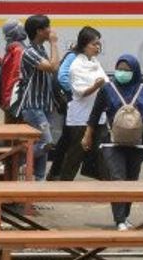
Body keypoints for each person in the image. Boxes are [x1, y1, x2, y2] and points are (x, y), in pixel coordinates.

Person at [82, 54, 143, 231]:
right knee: (118, 179)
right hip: (111, 142)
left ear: (135, 71)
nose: (121, 72)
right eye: (119, 69)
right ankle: (119, 219)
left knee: (131, 181)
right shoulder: (107, 89)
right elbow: (94, 114)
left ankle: (125, 216)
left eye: (126, 70)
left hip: (137, 143)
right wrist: (88, 135)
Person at [51, 26, 107, 181]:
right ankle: (63, 181)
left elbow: (105, 83)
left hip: (96, 114)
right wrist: (91, 88)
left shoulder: (95, 62)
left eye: (98, 44)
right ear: (84, 44)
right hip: (80, 115)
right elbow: (73, 86)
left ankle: (106, 183)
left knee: (101, 149)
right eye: (94, 44)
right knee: (75, 151)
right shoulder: (75, 62)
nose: (97, 47)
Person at [10, 14, 61, 181]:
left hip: (45, 105)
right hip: (33, 106)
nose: (51, 30)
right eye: (47, 27)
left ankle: (38, 181)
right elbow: (53, 67)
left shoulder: (41, 50)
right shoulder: (29, 52)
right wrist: (54, 42)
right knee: (46, 143)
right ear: (39, 31)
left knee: (45, 145)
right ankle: (15, 161)